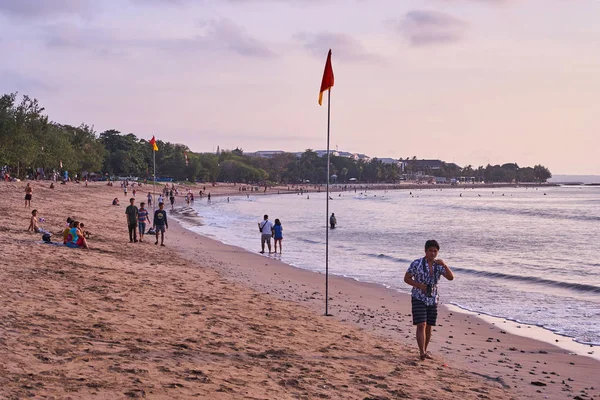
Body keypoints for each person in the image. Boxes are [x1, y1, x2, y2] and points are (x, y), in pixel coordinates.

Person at [404, 240, 454, 361]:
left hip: (432, 298)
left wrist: (445, 265)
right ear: (425, 251)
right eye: (430, 251)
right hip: (418, 297)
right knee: (421, 324)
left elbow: (451, 277)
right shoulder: (417, 263)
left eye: (435, 251)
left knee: (429, 325)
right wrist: (418, 285)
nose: (432, 253)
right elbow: (406, 278)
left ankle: (425, 350)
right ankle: (422, 352)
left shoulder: (439, 265)